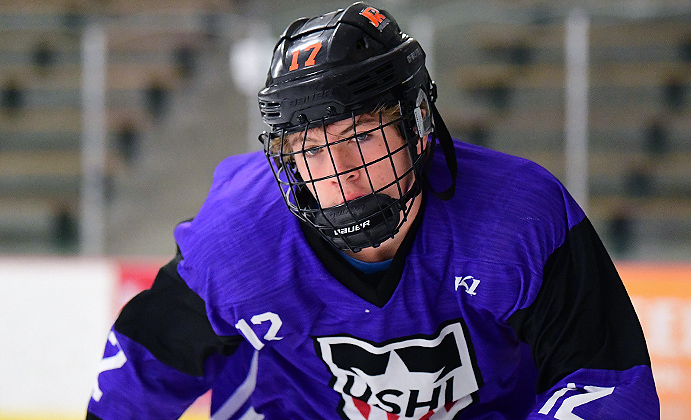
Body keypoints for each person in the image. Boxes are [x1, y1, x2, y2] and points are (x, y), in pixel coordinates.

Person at [87, 3, 659, 419]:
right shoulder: (238, 238)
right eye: (309, 148)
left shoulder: (517, 219)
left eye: (361, 134)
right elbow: (144, 367)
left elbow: (607, 380)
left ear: (417, 127)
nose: (341, 173)